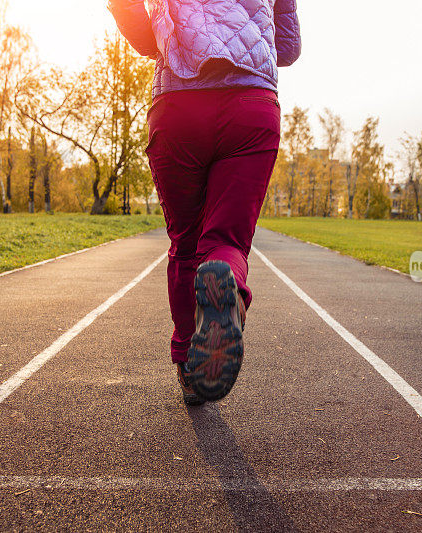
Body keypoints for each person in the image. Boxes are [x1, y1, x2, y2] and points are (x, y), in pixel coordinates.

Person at [108, 0, 301, 405]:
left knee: (185, 243)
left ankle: (187, 364)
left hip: (179, 107)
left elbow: (144, 38)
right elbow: (288, 46)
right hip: (251, 107)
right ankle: (225, 283)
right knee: (226, 239)